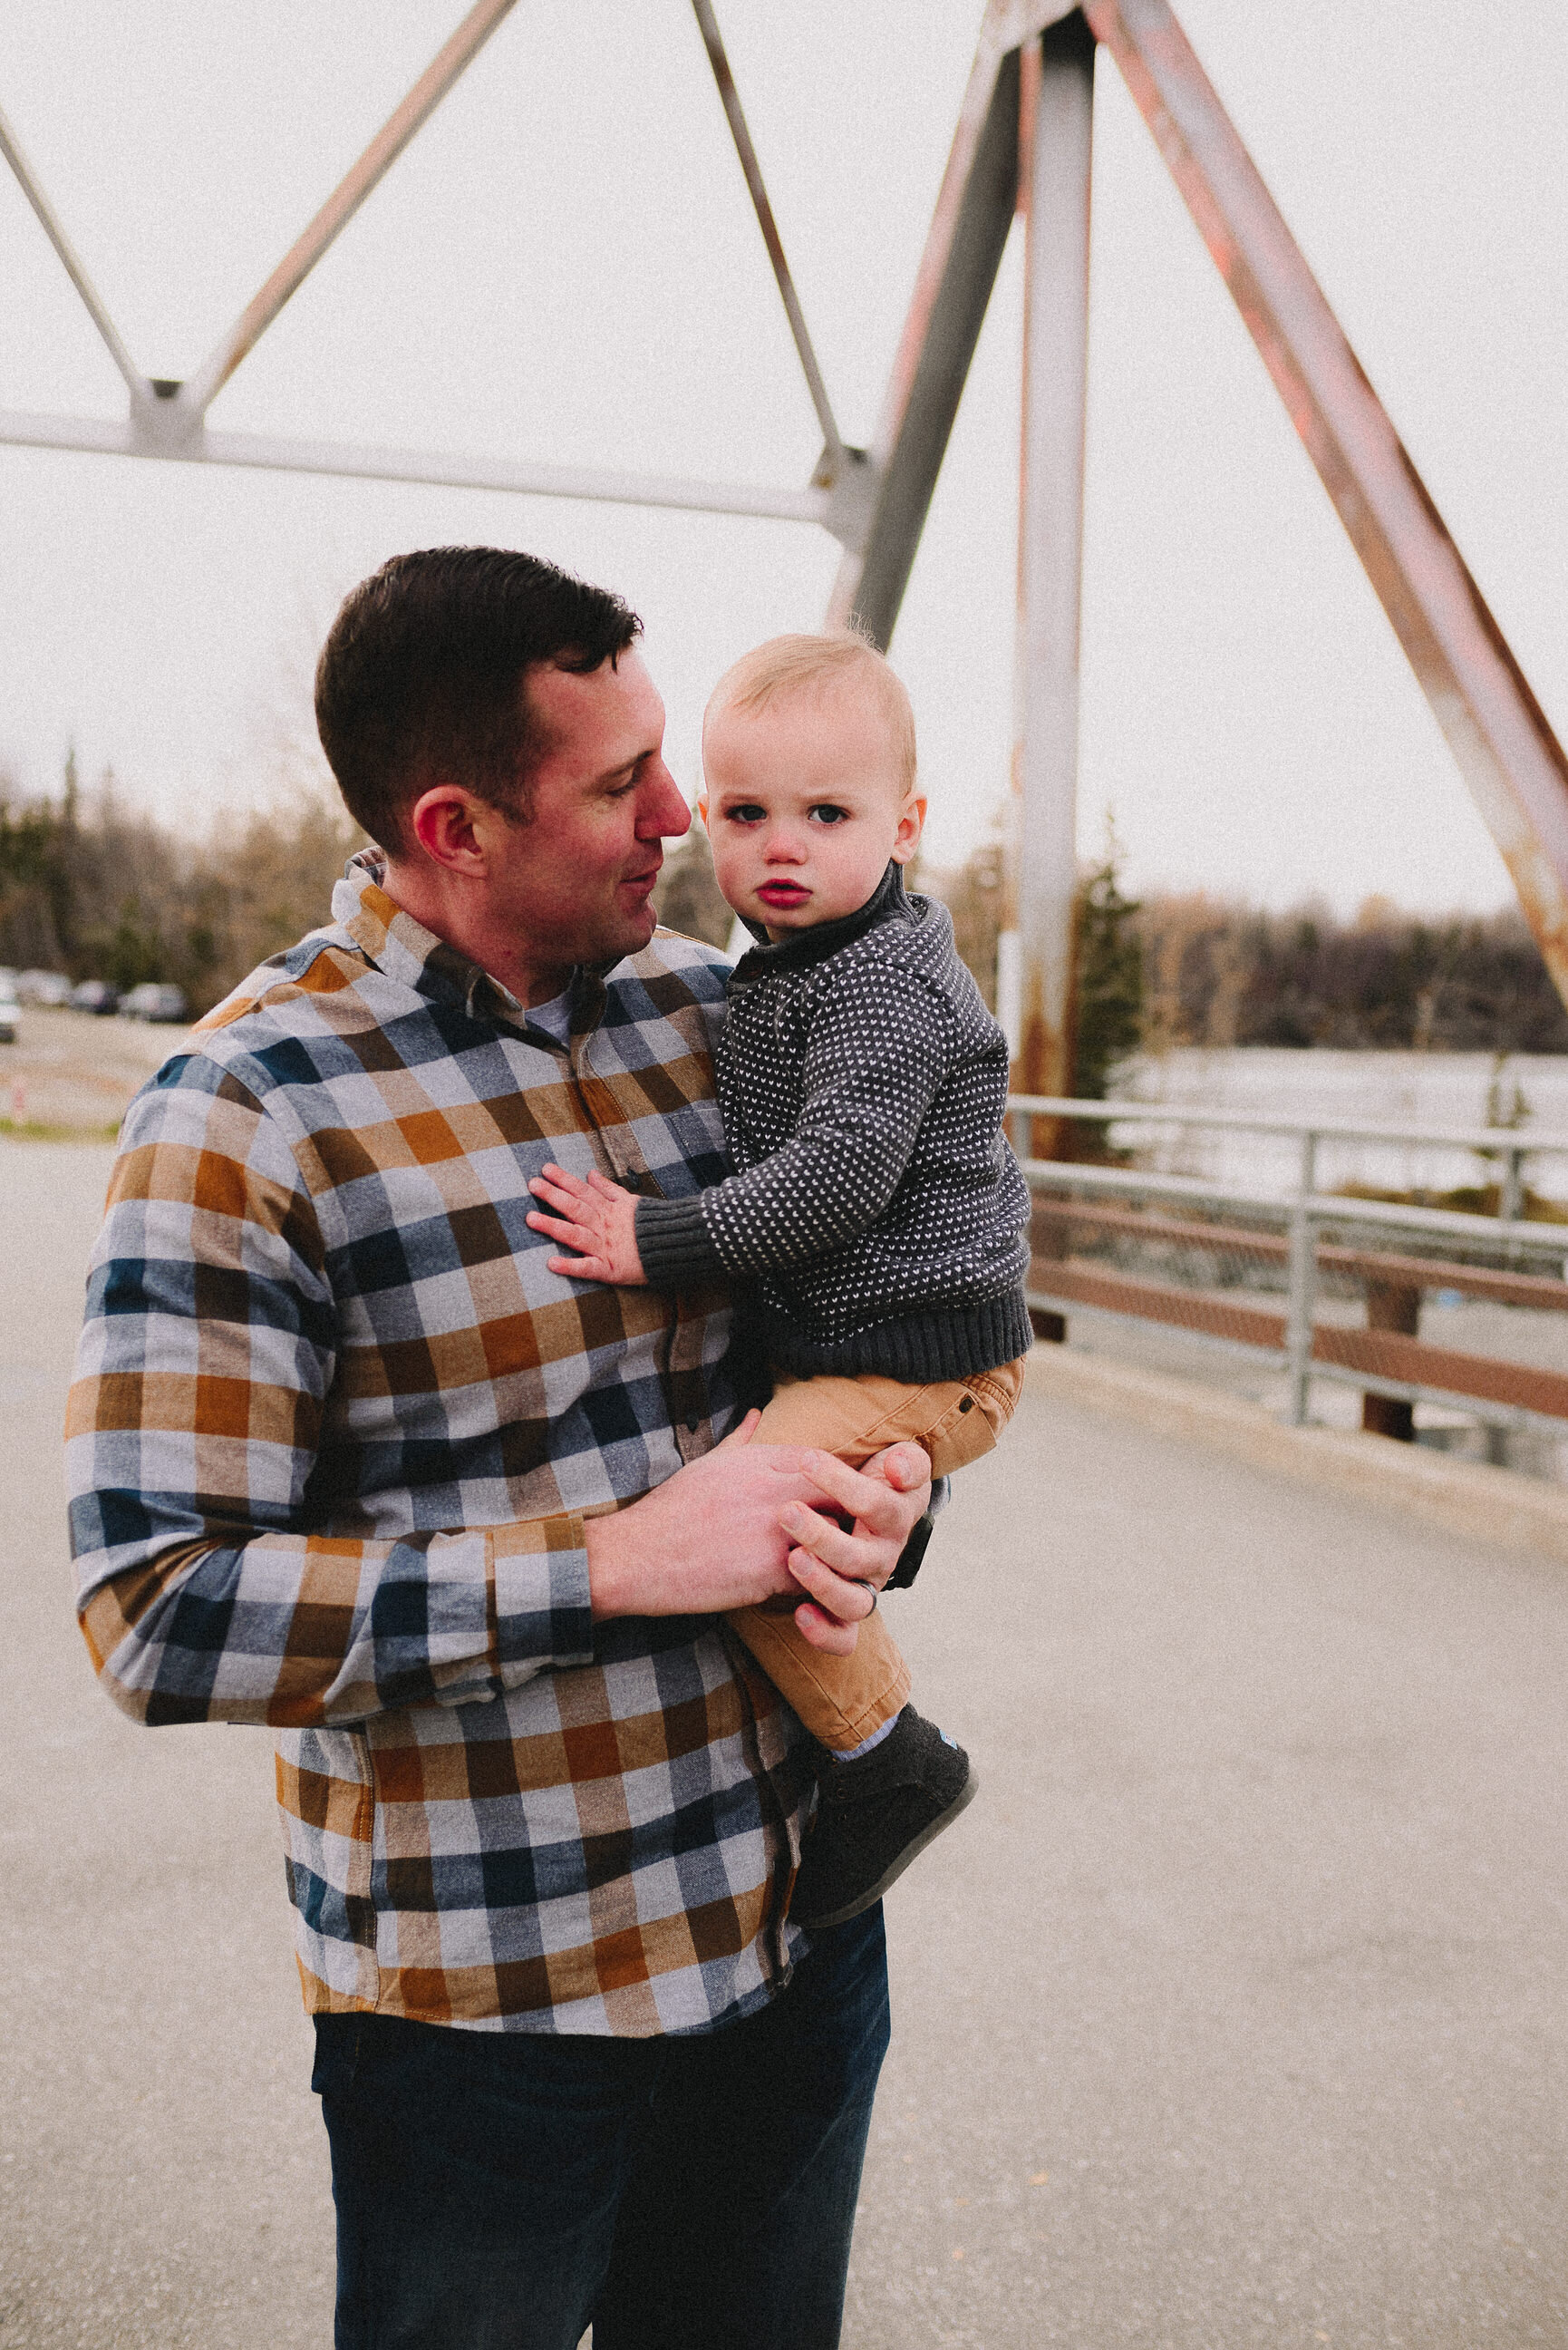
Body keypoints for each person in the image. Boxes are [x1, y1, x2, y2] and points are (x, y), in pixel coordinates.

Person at [64, 548, 934, 2350]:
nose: (685, 812)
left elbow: (844, 1358)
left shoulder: (724, 1013)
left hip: (790, 1942)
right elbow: (157, 1606)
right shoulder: (243, 1116)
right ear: (453, 826)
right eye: (621, 784)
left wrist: (884, 1496)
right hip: (493, 2024)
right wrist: (613, 1564)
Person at [525, 632, 1031, 1933]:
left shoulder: (880, 987)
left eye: (826, 814)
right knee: (789, 1510)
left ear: (905, 824)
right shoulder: (786, 969)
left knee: (746, 1528)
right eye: (745, 814)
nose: (779, 847)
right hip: (870, 1345)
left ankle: (885, 1754)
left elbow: (837, 1179)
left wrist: (656, 1240)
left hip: (923, 1354)